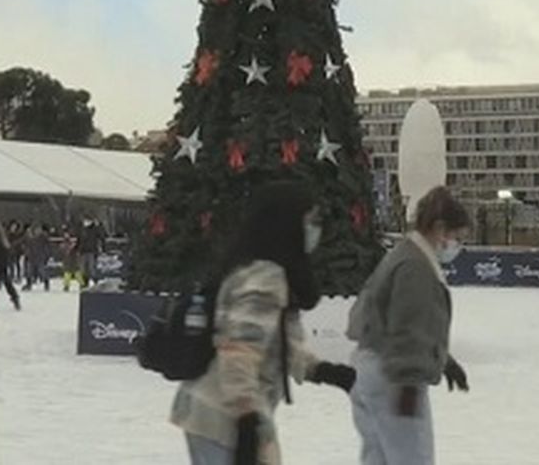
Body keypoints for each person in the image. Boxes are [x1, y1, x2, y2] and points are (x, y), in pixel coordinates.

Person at [171, 181, 356, 464]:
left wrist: (323, 371)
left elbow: (276, 342)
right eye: (309, 220)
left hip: (217, 411)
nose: (314, 229)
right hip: (224, 417)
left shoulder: (261, 269)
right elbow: (238, 351)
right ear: (287, 224)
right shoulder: (265, 278)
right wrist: (246, 423)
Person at [347, 186, 472, 465]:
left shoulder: (402, 255)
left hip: (372, 368)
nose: (458, 246)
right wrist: (408, 383)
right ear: (439, 228)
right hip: (393, 377)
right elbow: (406, 326)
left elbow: (405, 320)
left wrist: (443, 360)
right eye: (458, 237)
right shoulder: (415, 266)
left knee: (378, 457)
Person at [23, 223, 52, 292]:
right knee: (29, 271)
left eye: (38, 230)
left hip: (40, 257)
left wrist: (46, 255)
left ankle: (46, 283)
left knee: (42, 271)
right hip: (31, 257)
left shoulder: (43, 237)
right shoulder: (30, 237)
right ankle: (28, 284)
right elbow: (27, 245)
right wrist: (27, 252)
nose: (37, 231)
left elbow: (47, 246)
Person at [78, 218, 103, 288]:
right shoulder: (82, 230)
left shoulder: (94, 230)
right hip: (83, 251)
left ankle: (94, 281)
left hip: (91, 251)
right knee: (83, 268)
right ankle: (84, 282)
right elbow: (79, 239)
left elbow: (101, 236)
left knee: (91, 268)